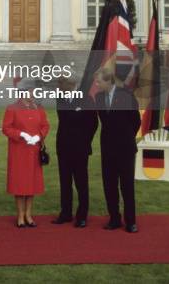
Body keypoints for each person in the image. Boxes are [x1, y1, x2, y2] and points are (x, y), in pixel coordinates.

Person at [95, 70, 141, 233]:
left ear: (108, 81)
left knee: (127, 186)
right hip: (107, 148)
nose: (97, 84)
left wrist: (126, 137)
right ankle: (114, 218)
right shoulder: (99, 98)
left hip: (125, 149)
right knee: (109, 185)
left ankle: (131, 222)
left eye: (99, 82)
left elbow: (136, 121)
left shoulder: (126, 96)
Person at [2, 78, 50, 227]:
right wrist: (21, 134)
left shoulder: (39, 108)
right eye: (31, 91)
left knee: (31, 184)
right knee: (19, 184)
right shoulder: (12, 108)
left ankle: (29, 214)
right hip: (18, 151)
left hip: (34, 150)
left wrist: (39, 136)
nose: (33, 94)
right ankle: (20, 216)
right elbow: (6, 128)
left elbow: (45, 125)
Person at [52, 75, 98, 227]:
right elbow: (65, 117)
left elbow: (93, 124)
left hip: (80, 148)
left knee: (81, 182)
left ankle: (82, 215)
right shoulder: (60, 98)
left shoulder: (86, 100)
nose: (59, 86)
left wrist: (85, 142)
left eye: (61, 83)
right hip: (64, 146)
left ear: (71, 84)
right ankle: (66, 213)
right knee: (65, 182)